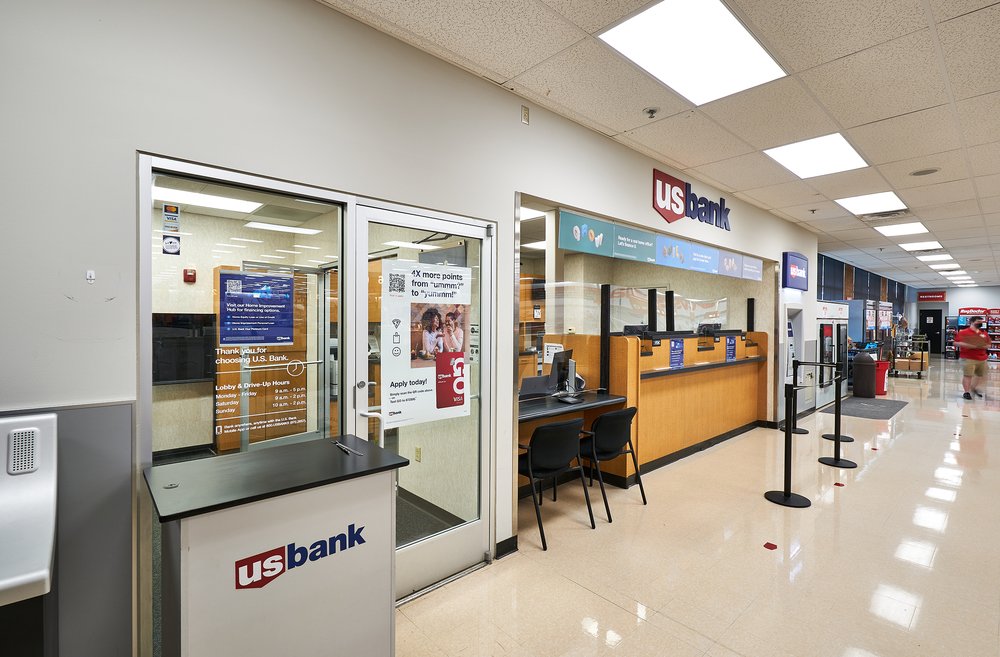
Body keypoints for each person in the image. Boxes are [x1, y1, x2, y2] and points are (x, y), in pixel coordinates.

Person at [955, 316, 989, 400]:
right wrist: (968, 345)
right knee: (968, 375)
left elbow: (988, 344)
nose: (980, 323)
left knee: (981, 375)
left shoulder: (984, 333)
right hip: (968, 358)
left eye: (981, 322)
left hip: (982, 358)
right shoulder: (964, 332)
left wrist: (983, 345)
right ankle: (966, 392)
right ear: (972, 322)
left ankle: (973, 388)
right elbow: (956, 343)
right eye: (978, 321)